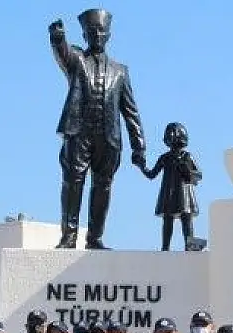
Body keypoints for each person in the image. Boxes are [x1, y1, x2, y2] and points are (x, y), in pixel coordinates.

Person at [48, 8, 146, 250]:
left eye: (102, 31)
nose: (98, 35)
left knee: (103, 186)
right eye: (92, 31)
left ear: (109, 34)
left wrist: (139, 145)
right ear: (84, 34)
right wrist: (58, 37)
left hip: (108, 137)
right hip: (79, 133)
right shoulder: (77, 60)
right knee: (73, 183)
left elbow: (130, 111)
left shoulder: (120, 71)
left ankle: (95, 237)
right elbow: (63, 54)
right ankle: (69, 236)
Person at [142, 121, 203, 251]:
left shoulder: (187, 156)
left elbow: (198, 175)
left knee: (186, 217)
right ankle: (165, 247)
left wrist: (187, 171)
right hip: (169, 193)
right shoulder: (165, 158)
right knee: (168, 218)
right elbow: (152, 174)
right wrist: (141, 166)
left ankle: (189, 246)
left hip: (184, 194)